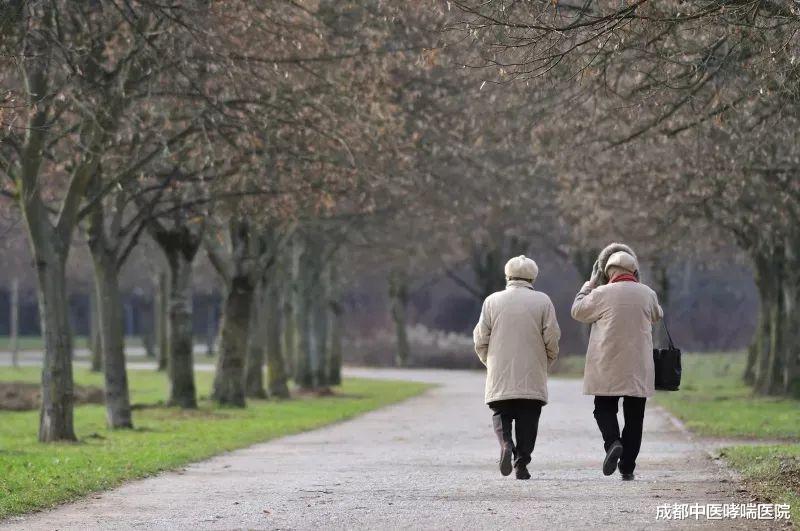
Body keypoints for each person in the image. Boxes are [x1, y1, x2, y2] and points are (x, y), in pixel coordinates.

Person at [571, 246, 663, 481]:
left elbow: (578, 311)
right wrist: (640, 286)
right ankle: (628, 466)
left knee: (603, 408)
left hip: (607, 363)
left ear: (608, 272)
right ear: (634, 271)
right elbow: (657, 315)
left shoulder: (601, 293)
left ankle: (613, 442)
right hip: (638, 366)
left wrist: (589, 285)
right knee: (635, 417)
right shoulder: (647, 293)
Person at [473, 255, 561, 480]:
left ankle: (505, 444)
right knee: (528, 418)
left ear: (507, 276)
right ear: (533, 277)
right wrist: (546, 361)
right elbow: (552, 336)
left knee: (500, 412)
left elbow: (480, 338)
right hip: (532, 371)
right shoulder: (543, 301)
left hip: (500, 370)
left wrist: (490, 362)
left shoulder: (492, 301)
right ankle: (521, 464)